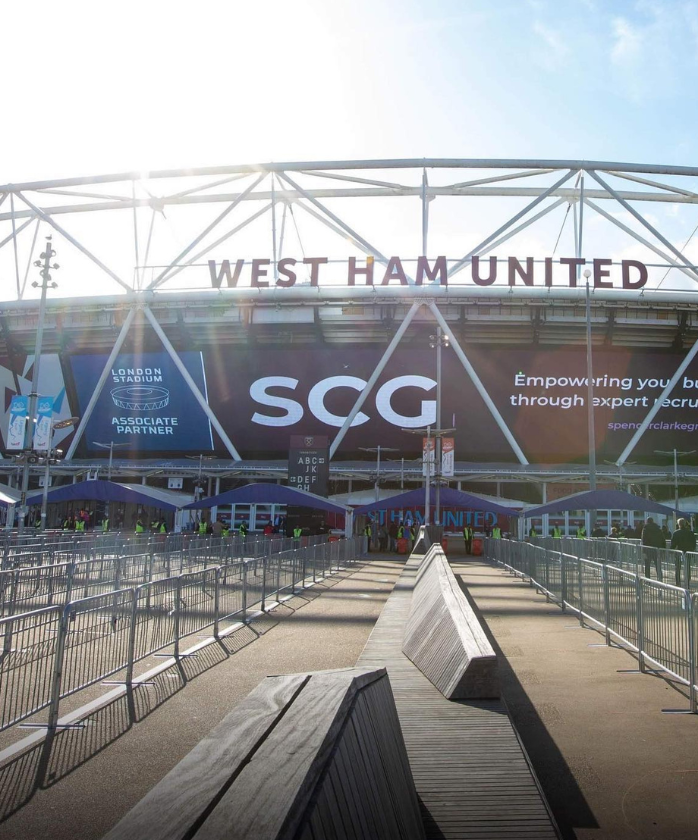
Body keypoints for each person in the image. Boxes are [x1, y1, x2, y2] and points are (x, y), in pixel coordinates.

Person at [670, 518, 696, 587]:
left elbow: (673, 544)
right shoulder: (690, 532)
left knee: (677, 567)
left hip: (679, 552)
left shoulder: (676, 533)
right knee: (687, 568)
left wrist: (671, 551)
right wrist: (692, 550)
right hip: (688, 552)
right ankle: (687, 582)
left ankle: (678, 582)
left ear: (678, 524)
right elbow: (694, 543)